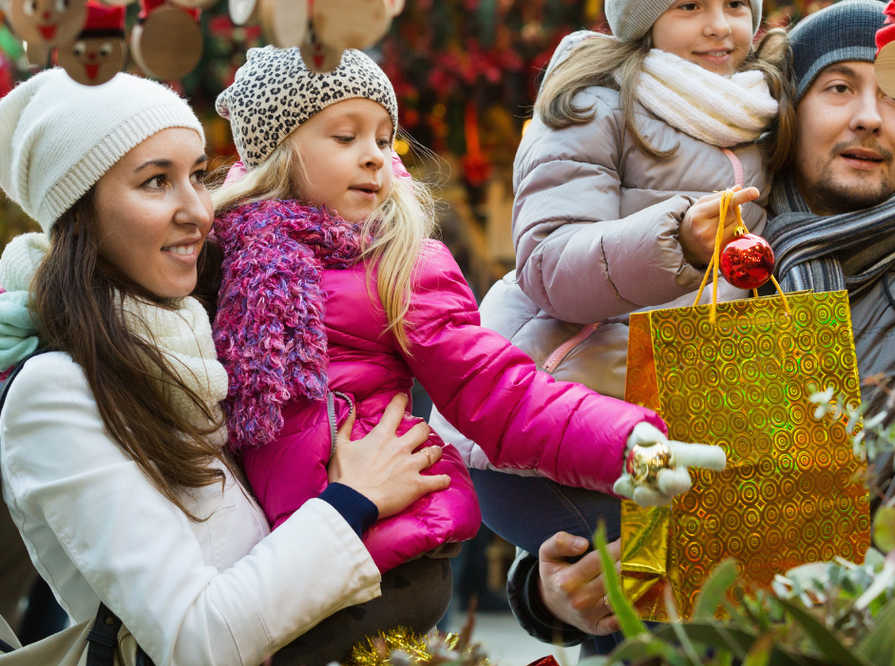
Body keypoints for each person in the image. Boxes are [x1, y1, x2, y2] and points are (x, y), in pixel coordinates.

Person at [507, 0, 895, 646]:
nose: (871, 117)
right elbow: (611, 452)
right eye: (840, 88)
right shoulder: (697, 274)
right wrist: (545, 588)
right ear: (786, 118)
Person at [207, 46, 724, 617]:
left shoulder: (396, 265)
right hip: (268, 556)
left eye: (383, 138)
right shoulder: (222, 256)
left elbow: (495, 390)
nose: (376, 157)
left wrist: (626, 446)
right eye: (345, 137)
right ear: (277, 152)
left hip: (380, 558)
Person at [0, 69, 456, 665]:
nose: (197, 209)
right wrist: (353, 500)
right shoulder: (56, 391)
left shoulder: (214, 339)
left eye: (195, 175)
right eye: (156, 182)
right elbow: (195, 640)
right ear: (79, 214)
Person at [432, 0, 794, 650]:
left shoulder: (764, 114)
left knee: (687, 614)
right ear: (642, 15)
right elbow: (548, 262)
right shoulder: (595, 106)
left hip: (685, 415)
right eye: (688, 5)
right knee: (656, 620)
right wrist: (677, 241)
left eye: (734, 4)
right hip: (561, 420)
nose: (718, 25)